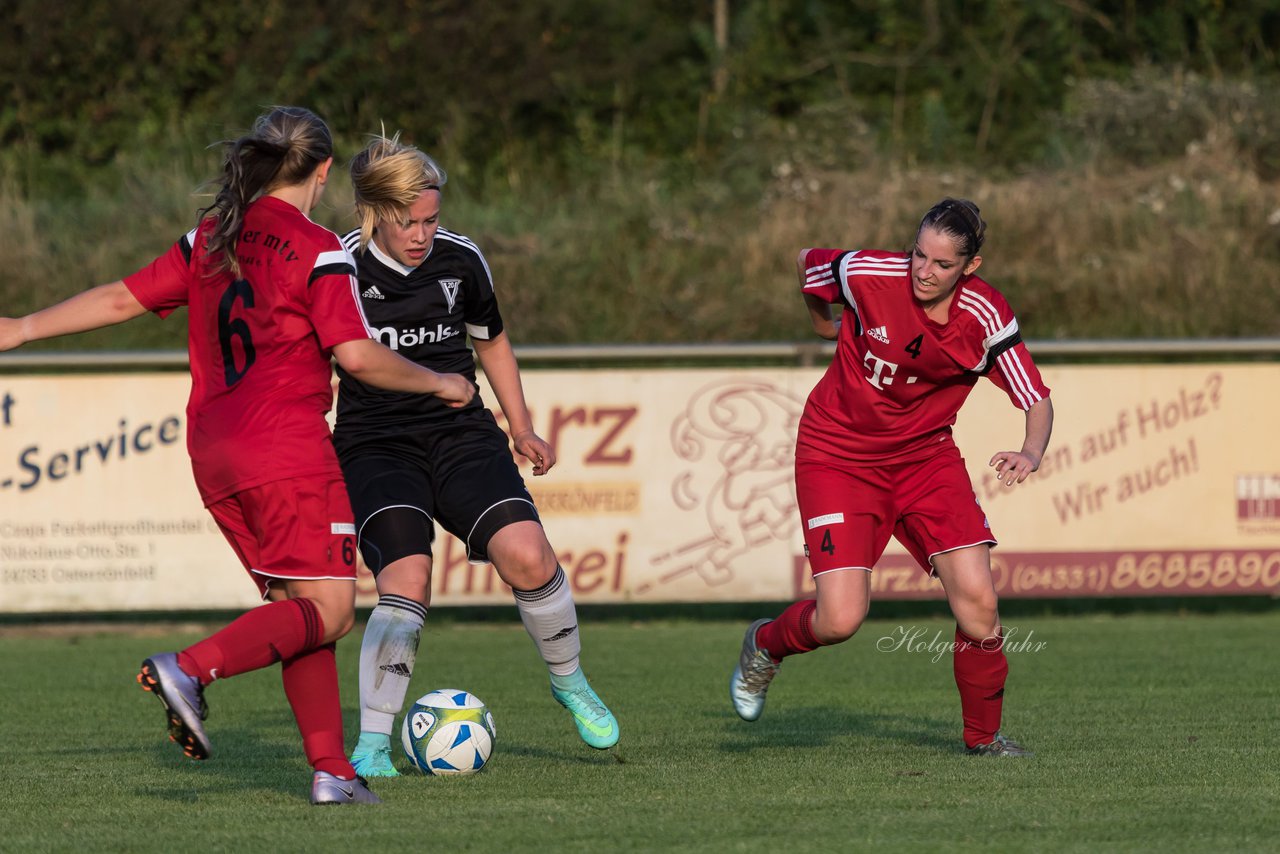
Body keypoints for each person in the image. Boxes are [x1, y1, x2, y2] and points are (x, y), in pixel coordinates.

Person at [0, 107, 476, 803]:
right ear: (320, 172)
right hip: (285, 448)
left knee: (296, 604)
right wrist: (442, 381)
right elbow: (356, 355)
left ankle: (331, 773)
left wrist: (19, 327)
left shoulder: (212, 237)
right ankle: (189, 668)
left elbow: (118, 299)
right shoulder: (318, 248)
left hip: (214, 452)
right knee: (334, 610)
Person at [332, 134, 619, 777]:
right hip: (375, 442)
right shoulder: (340, 267)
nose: (425, 233)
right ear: (376, 213)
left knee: (528, 553)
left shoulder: (461, 260)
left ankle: (568, 681)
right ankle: (374, 743)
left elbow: (492, 343)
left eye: (433, 218)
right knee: (405, 583)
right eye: (411, 221)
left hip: (460, 433)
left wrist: (521, 427)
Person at [729, 198, 1053, 756]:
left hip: (925, 460)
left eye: (942, 264)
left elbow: (1037, 400)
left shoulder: (986, 316)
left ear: (969, 267)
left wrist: (1031, 450)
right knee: (840, 619)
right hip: (838, 455)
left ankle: (983, 740)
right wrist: (822, 322)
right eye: (918, 255)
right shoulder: (870, 273)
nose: (923, 272)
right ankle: (764, 644)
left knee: (979, 600)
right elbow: (812, 263)